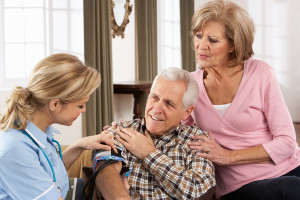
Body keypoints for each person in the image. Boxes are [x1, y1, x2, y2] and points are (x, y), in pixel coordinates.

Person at [181, 0, 300, 199]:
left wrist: (228, 156)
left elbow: (287, 142)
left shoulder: (261, 74)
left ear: (233, 45)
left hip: (289, 166)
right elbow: (170, 128)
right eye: (198, 36)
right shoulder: (190, 85)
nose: (201, 46)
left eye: (213, 40)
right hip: (239, 186)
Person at [0, 53, 118, 200]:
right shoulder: (16, 150)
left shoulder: (39, 131)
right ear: (55, 104)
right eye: (80, 105)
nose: (84, 110)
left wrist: (80, 145)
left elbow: (50, 175)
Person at [92, 68, 216, 200]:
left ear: (186, 112)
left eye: (169, 103)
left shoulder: (197, 140)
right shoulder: (122, 130)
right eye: (154, 98)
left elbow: (197, 190)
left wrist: (150, 154)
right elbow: (104, 168)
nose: (156, 109)